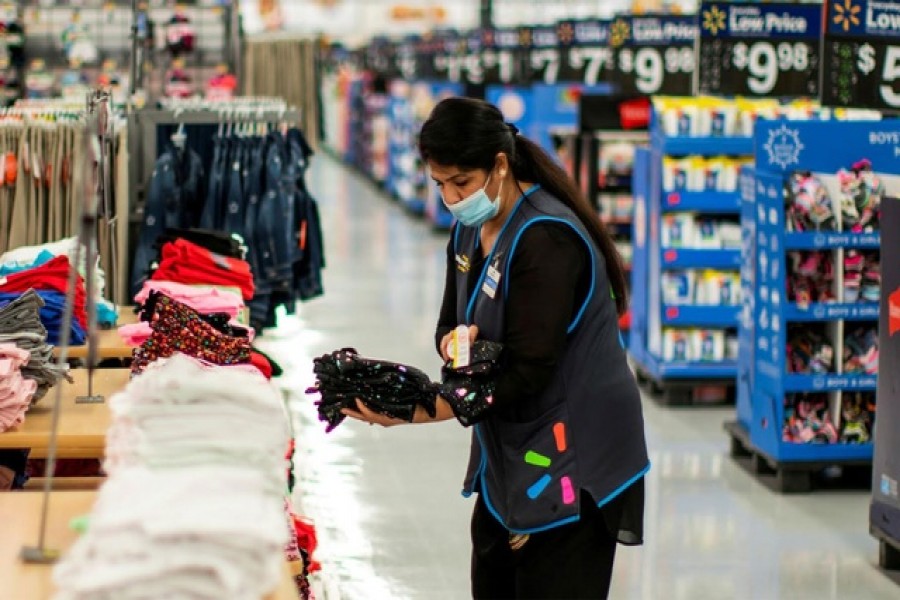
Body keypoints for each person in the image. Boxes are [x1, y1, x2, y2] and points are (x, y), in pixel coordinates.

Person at [342, 97, 649, 599]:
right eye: (439, 184)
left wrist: (428, 406)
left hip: (576, 453)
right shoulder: (468, 230)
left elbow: (530, 370)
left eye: (461, 183)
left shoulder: (546, 240)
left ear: (499, 166)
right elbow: (450, 324)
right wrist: (454, 345)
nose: (451, 198)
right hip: (509, 447)